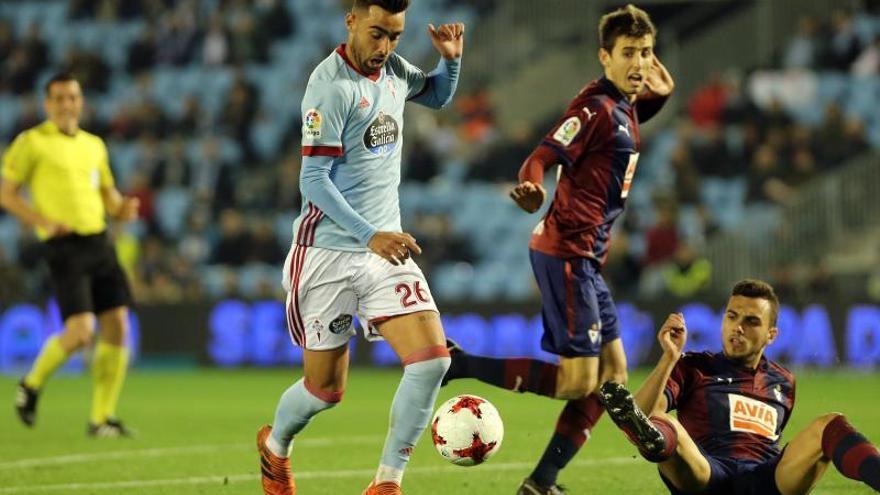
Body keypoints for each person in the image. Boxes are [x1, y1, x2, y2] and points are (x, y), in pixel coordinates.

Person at [442, 4, 673, 494]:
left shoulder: (626, 107)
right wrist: (531, 187)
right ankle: (460, 364)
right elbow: (541, 156)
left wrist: (662, 86)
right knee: (577, 382)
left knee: (612, 378)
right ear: (604, 57)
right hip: (566, 252)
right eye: (628, 53)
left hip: (587, 259)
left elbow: (651, 98)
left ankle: (541, 482)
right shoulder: (594, 110)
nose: (639, 63)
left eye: (646, 53)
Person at [255, 1, 464, 494]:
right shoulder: (330, 87)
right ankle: (276, 445)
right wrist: (369, 234)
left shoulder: (391, 67)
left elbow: (435, 95)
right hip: (327, 253)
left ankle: (386, 484)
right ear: (351, 21)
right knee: (325, 392)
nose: (386, 47)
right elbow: (313, 180)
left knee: (433, 360)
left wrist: (450, 61)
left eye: (395, 35)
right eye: (377, 34)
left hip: (384, 249)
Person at [599, 279, 880, 494]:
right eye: (732, 316)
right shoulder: (692, 366)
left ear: (771, 335)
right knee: (659, 420)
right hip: (707, 472)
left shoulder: (784, 382)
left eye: (751, 321)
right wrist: (669, 358)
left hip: (766, 479)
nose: (737, 327)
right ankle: (654, 440)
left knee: (829, 424)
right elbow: (647, 411)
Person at [1, 73, 140, 437]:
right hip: (64, 247)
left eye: (73, 98)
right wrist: (41, 220)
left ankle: (101, 418)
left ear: (80, 102)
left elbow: (107, 194)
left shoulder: (93, 145)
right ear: (47, 104)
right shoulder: (31, 142)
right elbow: (6, 193)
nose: (67, 105)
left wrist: (122, 208)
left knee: (118, 326)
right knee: (81, 333)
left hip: (100, 241)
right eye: (59, 98)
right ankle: (31, 383)